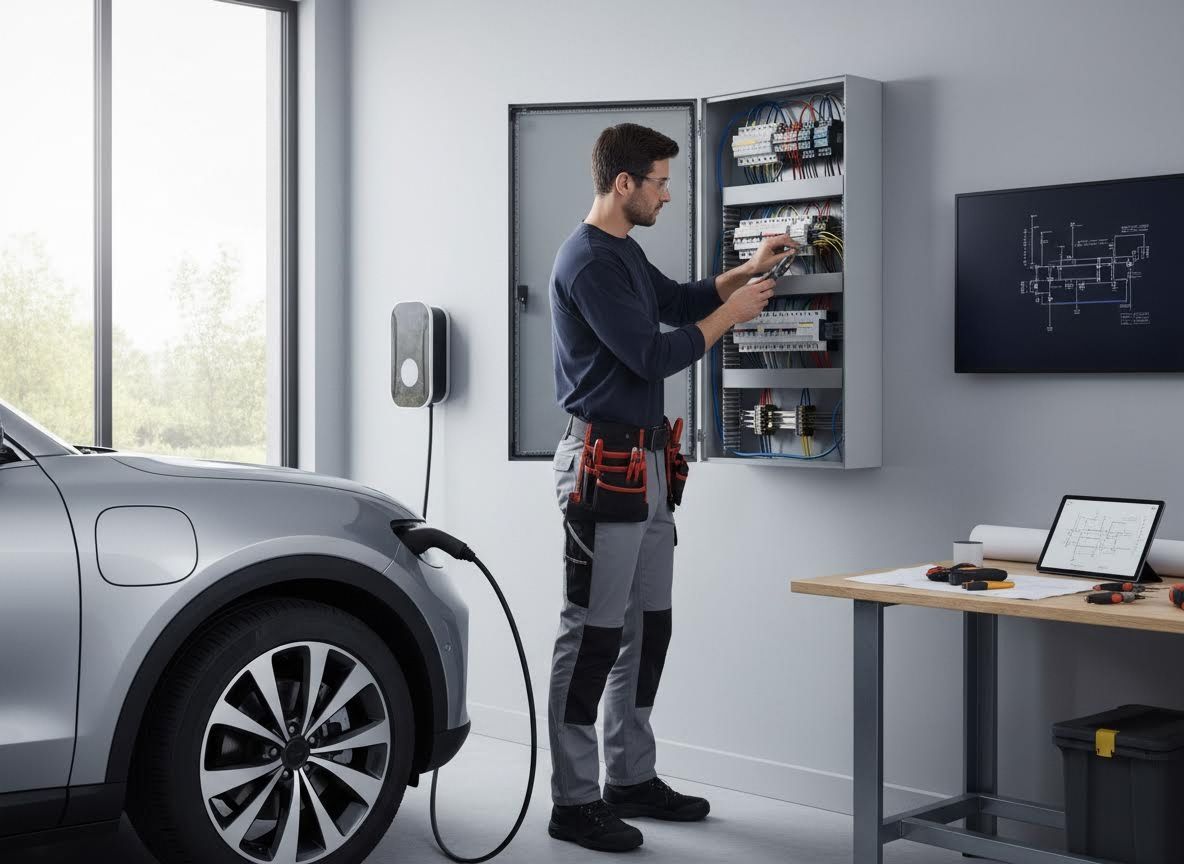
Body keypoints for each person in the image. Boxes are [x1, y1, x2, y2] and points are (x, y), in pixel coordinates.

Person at [545, 122, 796, 852]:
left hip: (649, 467)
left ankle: (629, 777)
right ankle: (573, 798)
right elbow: (653, 354)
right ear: (623, 184)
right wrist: (734, 316)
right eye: (658, 181)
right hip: (602, 465)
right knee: (591, 634)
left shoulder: (622, 251)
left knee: (647, 629)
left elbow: (681, 302)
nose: (665, 192)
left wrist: (745, 273)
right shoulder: (587, 263)